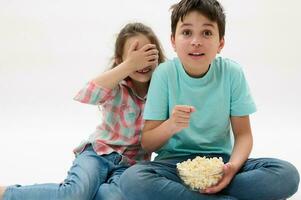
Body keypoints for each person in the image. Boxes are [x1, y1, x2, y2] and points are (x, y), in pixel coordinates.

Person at [119, 1, 300, 200]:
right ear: (173, 41)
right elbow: (148, 143)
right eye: (187, 33)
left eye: (206, 33)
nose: (196, 41)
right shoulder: (165, 74)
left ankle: (196, 196)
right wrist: (171, 125)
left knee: (286, 174)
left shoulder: (231, 73)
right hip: (173, 167)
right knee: (132, 179)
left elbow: (243, 135)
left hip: (221, 164)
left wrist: (231, 168)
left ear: (220, 42)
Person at [0, 22, 165, 200]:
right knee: (74, 194)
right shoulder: (117, 87)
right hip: (99, 153)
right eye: (134, 55)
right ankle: (6, 194)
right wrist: (129, 65)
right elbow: (85, 95)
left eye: (147, 53)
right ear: (120, 60)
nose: (141, 61)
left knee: (113, 197)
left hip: (131, 165)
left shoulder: (163, 92)